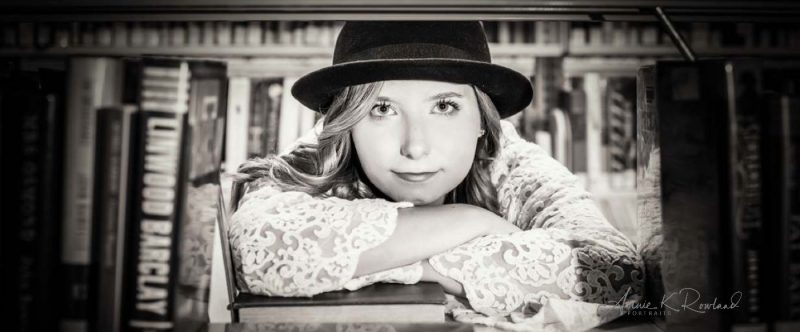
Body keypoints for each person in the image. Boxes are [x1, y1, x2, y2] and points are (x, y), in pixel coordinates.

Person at [229, 21, 644, 321]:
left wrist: (381, 264)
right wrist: (472, 222)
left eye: (444, 106)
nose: (415, 147)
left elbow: (615, 271)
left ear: (482, 119)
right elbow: (257, 248)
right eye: (382, 109)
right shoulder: (323, 153)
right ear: (348, 121)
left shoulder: (510, 159)